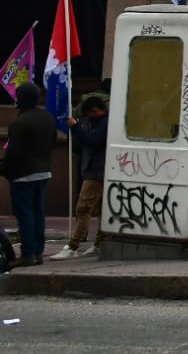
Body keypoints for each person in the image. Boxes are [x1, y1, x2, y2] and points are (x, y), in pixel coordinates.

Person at [2, 82, 58, 267]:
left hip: (23, 175)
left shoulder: (20, 122)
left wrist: (4, 170)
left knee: (25, 215)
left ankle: (27, 255)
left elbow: (14, 154)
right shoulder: (47, 117)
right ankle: (37, 253)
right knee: (38, 214)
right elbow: (53, 143)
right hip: (44, 173)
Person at [50, 91, 109, 260]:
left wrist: (75, 127)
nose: (89, 116)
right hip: (94, 169)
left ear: (96, 110)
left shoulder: (103, 123)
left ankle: (73, 245)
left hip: (96, 171)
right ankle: (99, 242)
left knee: (83, 208)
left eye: (90, 113)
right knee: (99, 210)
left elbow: (94, 142)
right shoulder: (96, 121)